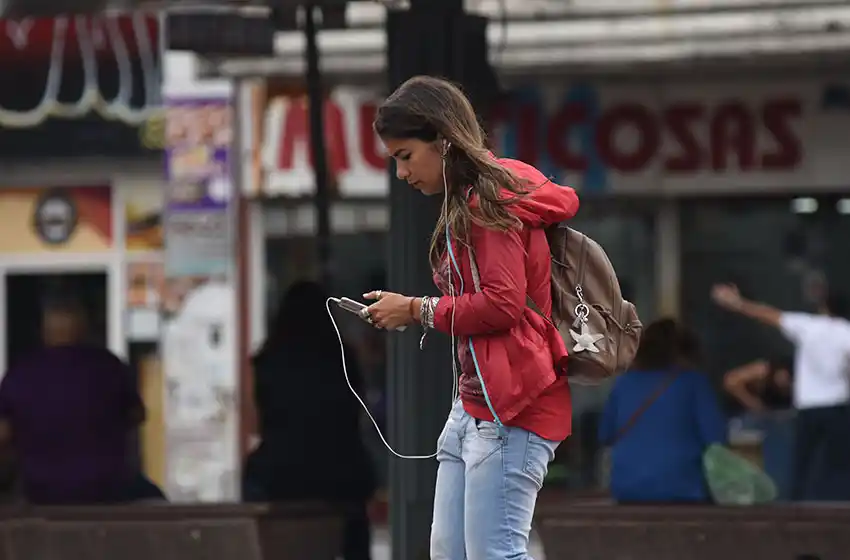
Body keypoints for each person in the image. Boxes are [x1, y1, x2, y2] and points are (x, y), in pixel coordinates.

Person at [361, 76, 580, 560]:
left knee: (493, 554)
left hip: (514, 409)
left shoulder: (486, 204)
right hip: (475, 409)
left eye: (405, 157)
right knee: (451, 553)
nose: (401, 173)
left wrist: (417, 309)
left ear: (442, 141)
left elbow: (503, 303)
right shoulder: (469, 201)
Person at [243, 281, 376, 560]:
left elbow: (263, 418)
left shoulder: (269, 361)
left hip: (282, 474)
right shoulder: (340, 358)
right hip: (340, 471)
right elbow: (355, 411)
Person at [0, 299, 154, 504]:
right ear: (83, 329)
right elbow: (137, 415)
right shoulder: (109, 367)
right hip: (107, 491)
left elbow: (3, 432)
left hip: (40, 493)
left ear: (45, 331)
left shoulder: (20, 373)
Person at [712, 284, 850, 501]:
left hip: (808, 408)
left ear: (824, 308)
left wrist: (737, 303)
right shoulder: (846, 332)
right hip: (838, 408)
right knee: (838, 465)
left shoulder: (808, 326)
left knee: (801, 464)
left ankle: (795, 509)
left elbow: (768, 315)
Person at [599, 319, 727, 504]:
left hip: (627, 488)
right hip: (682, 488)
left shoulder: (623, 384)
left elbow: (605, 434)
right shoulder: (693, 383)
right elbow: (716, 437)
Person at [723, 356, 795, 500]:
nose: (784, 384)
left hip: (786, 419)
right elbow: (731, 380)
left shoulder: (806, 377)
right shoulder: (765, 369)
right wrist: (754, 404)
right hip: (759, 418)